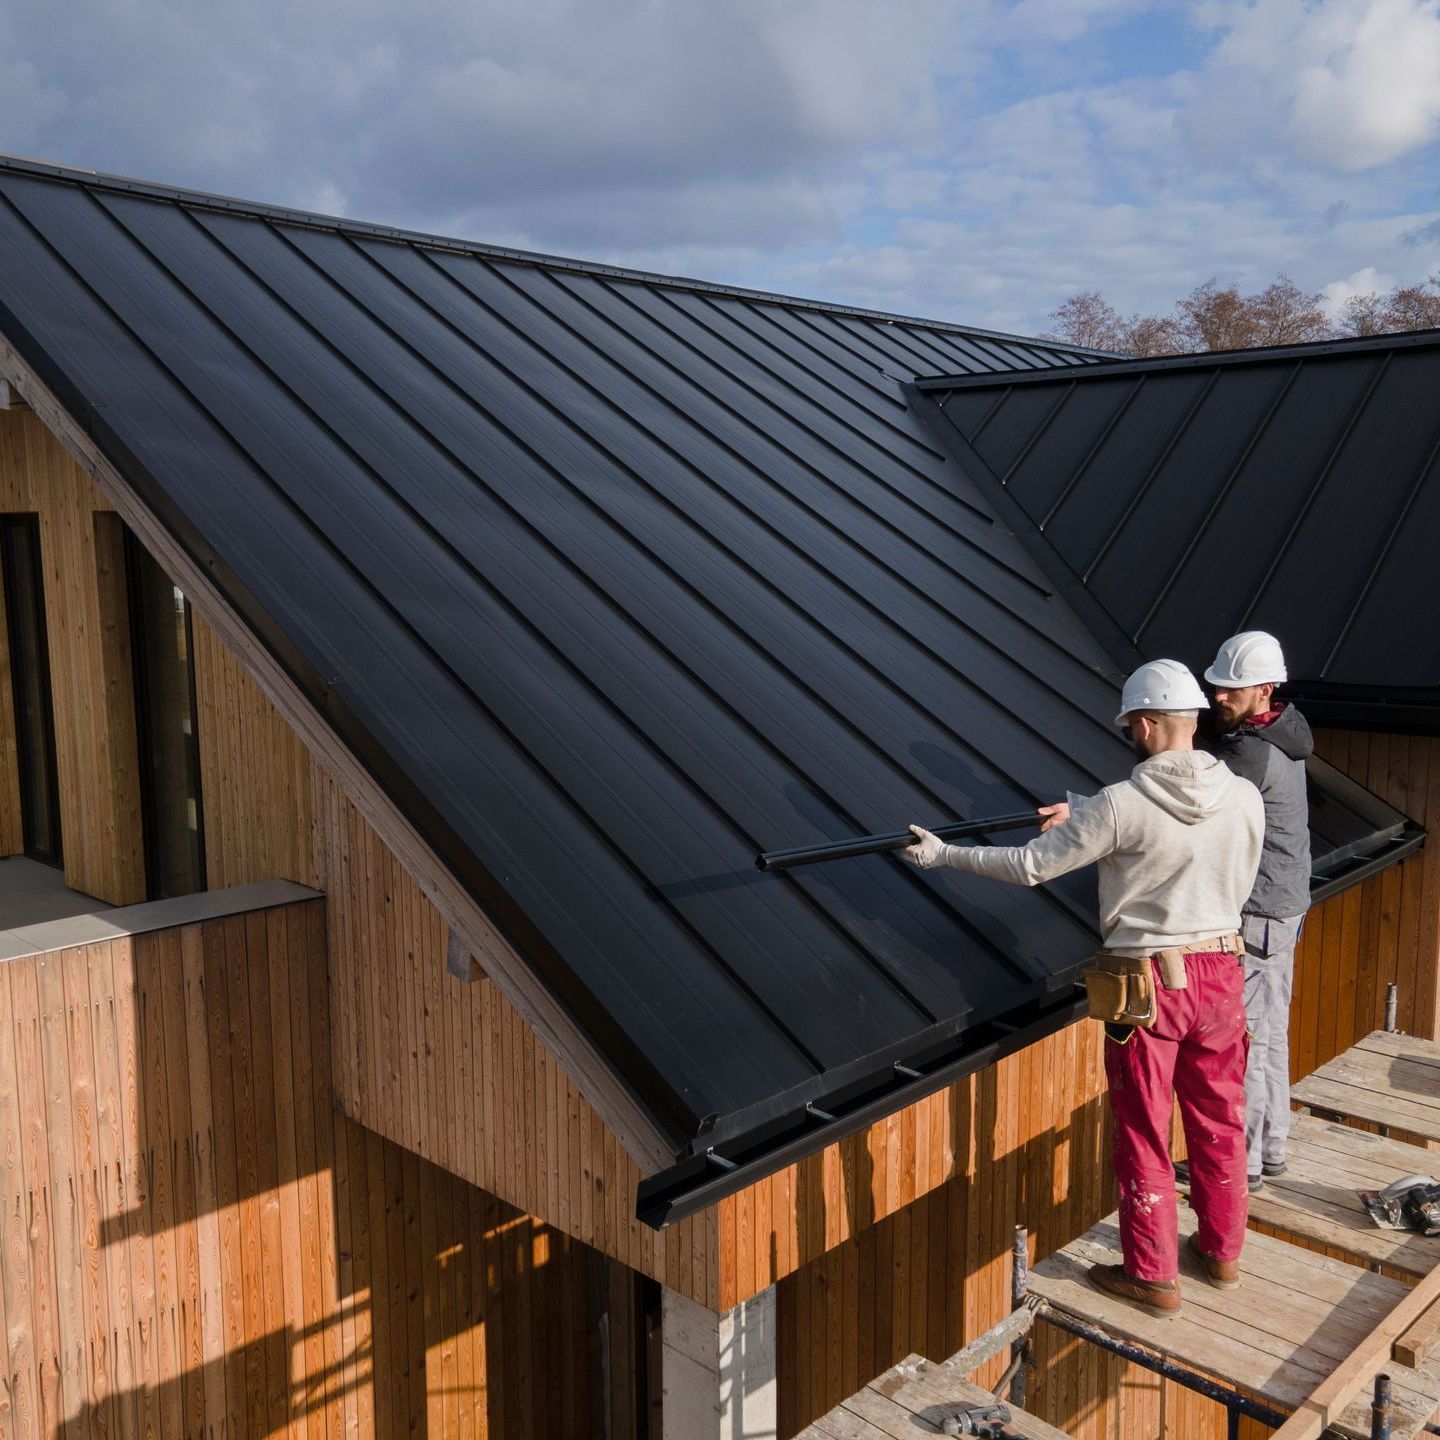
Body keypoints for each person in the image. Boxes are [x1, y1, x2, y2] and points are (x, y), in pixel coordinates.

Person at [897, 660, 1262, 1313]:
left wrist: (944, 854)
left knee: (1145, 1129)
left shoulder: (1124, 804)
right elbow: (1184, 839)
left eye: (1131, 727)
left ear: (1146, 724)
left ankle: (1151, 1273)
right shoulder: (1243, 794)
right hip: (1224, 976)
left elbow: (1033, 866)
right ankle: (1222, 1252)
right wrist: (1090, 812)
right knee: (1220, 1120)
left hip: (1152, 985)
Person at [1196, 631, 1312, 1191]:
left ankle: (1242, 1167)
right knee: (1271, 1032)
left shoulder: (1251, 754)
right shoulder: (1281, 732)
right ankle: (1271, 1149)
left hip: (1262, 912)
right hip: (1281, 906)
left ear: (1265, 689)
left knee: (1250, 1038)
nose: (1217, 696)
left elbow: (1195, 794)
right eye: (1216, 685)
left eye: (1231, 689)